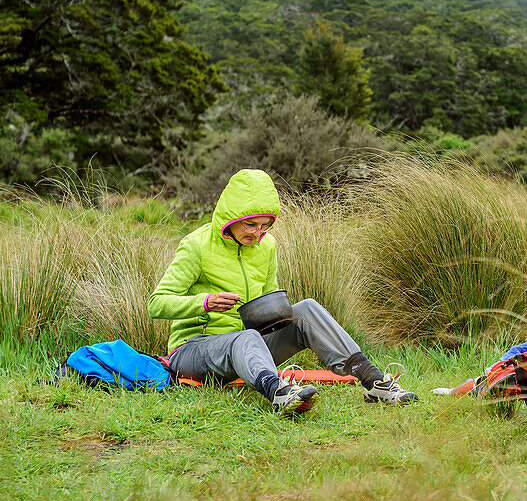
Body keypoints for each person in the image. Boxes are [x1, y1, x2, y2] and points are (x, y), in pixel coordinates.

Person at [148, 168, 417, 416]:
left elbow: (267, 299)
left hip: (247, 352)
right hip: (194, 351)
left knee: (307, 309)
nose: (258, 234)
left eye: (265, 226)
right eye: (251, 225)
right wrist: (204, 303)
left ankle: (375, 381)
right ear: (231, 218)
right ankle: (278, 392)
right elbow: (156, 304)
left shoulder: (267, 247)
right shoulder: (196, 246)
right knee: (246, 337)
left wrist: (277, 313)